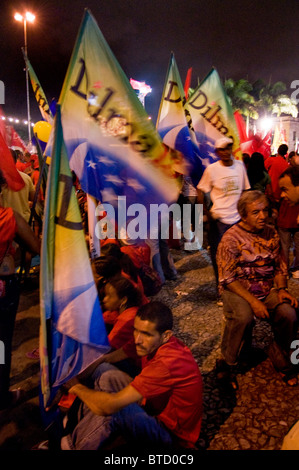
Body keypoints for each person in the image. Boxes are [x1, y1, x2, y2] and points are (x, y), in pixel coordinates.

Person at [60, 301, 203, 450]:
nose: (137, 340)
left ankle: (68, 446)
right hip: (151, 407)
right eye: (136, 330)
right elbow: (106, 358)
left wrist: (76, 387)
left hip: (171, 436)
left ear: (166, 336)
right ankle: (75, 423)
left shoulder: (168, 362)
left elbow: (110, 406)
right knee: (104, 371)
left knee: (115, 410)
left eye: (146, 334)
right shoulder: (150, 343)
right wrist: (72, 378)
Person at [216, 190, 299, 389]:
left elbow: (279, 265)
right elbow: (227, 278)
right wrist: (253, 302)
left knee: (289, 313)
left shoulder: (272, 233)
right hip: (237, 289)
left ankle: (282, 355)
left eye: (265, 211)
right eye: (255, 212)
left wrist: (281, 288)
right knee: (243, 316)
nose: (263, 216)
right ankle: (226, 362)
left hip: (266, 287)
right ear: (243, 215)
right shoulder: (230, 238)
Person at [0, 171, 40, 409]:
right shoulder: (8, 217)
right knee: (2, 342)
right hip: (4, 288)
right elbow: (34, 247)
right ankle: (2, 396)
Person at [197, 136, 250, 302]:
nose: (226, 152)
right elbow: (200, 189)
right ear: (217, 152)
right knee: (219, 258)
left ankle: (241, 290)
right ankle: (222, 291)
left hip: (238, 220)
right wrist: (206, 211)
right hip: (219, 221)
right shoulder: (212, 170)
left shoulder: (240, 166)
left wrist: (246, 213)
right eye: (222, 149)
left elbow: (246, 190)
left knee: (241, 257)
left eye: (229, 148)